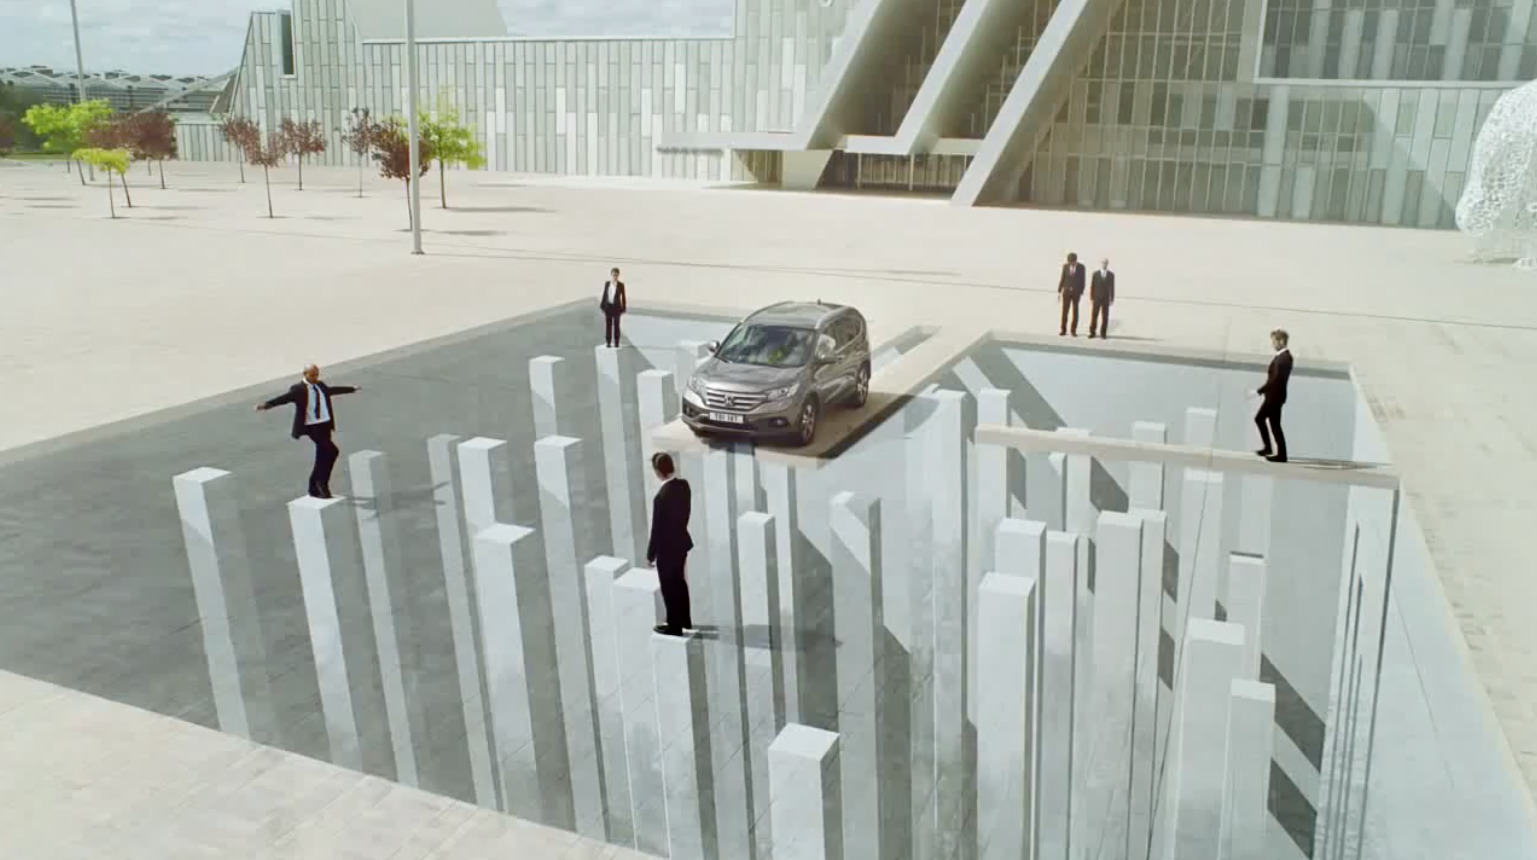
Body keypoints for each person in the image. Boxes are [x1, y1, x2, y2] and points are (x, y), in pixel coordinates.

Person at [255, 364, 361, 499]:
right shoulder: (298, 389)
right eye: (312, 374)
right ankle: (322, 483)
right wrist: (266, 405)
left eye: (317, 374)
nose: (315, 377)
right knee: (332, 451)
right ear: (304, 374)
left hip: (325, 424)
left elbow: (331, 390)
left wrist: (351, 389)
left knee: (322, 457)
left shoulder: (320, 385)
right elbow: (284, 398)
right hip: (312, 427)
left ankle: (313, 487)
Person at [645, 452, 694, 636]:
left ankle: (674, 626)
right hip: (681, 543)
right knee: (680, 582)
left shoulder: (661, 497)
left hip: (667, 549)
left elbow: (656, 529)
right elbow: (686, 513)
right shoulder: (684, 486)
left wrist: (651, 555)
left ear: (658, 472)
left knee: (669, 586)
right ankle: (684, 620)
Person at [1255, 329, 1293, 463]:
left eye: (1274, 341)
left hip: (1275, 397)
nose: (1273, 344)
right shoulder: (1281, 357)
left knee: (1261, 419)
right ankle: (1274, 450)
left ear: (1281, 341)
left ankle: (1276, 451)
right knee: (1273, 423)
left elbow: (1275, 379)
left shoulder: (1284, 358)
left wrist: (1260, 390)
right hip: (1274, 395)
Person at [1058, 252, 1086, 336]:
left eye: (1072, 262)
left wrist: (1081, 291)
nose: (1071, 264)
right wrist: (1059, 290)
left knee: (1075, 311)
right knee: (1065, 311)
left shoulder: (1081, 267)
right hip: (1066, 292)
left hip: (1076, 292)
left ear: (1075, 261)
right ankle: (1063, 329)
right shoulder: (1065, 266)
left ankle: (1073, 330)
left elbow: (1083, 280)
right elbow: (1062, 278)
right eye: (1069, 262)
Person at [600, 267, 628, 348]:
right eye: (613, 275)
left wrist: (624, 308)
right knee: (608, 326)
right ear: (611, 275)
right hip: (608, 307)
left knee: (616, 325)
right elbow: (604, 295)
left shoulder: (621, 285)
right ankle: (608, 342)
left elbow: (623, 297)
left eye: (616, 275)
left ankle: (616, 342)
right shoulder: (607, 284)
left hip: (616, 308)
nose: (614, 277)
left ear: (618, 276)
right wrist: (602, 305)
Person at [1088, 257, 1115, 339]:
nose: (1104, 264)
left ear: (1107, 264)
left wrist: (1112, 298)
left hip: (1106, 299)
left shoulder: (1111, 275)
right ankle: (1092, 332)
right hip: (1096, 298)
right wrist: (1092, 297)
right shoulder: (1095, 274)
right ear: (1101, 263)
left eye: (1106, 263)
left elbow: (1112, 287)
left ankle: (1103, 333)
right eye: (1103, 263)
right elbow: (1092, 286)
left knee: (1105, 317)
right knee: (1094, 316)